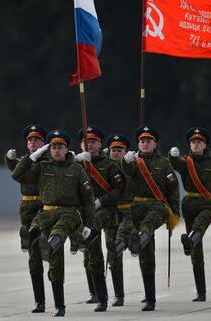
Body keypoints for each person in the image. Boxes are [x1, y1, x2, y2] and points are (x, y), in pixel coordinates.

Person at [12, 129, 94, 317]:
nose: (57, 150)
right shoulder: (43, 168)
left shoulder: (77, 170)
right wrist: (34, 156)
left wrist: (89, 224)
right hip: (46, 212)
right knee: (35, 229)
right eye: (54, 147)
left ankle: (59, 305)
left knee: (58, 237)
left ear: (67, 150)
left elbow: (88, 200)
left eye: (61, 147)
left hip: (69, 213)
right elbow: (18, 175)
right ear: (49, 150)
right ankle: (32, 237)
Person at [121, 126, 180, 311]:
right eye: (142, 141)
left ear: (155, 144)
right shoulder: (133, 161)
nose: (145, 144)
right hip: (137, 206)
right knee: (147, 257)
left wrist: (175, 215)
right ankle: (149, 299)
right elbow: (127, 172)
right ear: (138, 144)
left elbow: (173, 190)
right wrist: (125, 161)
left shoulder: (163, 163)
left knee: (147, 225)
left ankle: (138, 241)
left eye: (149, 141)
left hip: (157, 205)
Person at [168, 127, 211, 302]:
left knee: (201, 224)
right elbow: (175, 164)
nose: (195, 144)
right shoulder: (185, 162)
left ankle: (190, 239)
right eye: (193, 142)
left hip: (208, 203)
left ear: (205, 145)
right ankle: (201, 291)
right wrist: (172, 156)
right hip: (190, 203)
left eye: (199, 142)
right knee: (196, 251)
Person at [73, 126, 125, 312]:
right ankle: (99, 297)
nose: (90, 144)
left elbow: (119, 190)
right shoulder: (75, 164)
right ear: (81, 145)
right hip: (86, 215)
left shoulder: (109, 165)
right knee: (92, 256)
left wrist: (100, 202)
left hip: (108, 213)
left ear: (100, 144)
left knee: (113, 254)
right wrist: (76, 159)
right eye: (86, 142)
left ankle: (119, 294)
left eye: (93, 141)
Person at [4, 124, 48, 313]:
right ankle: (40, 301)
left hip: (46, 206)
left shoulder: (49, 160)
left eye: (37, 139)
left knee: (48, 247)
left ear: (43, 142)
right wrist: (8, 158)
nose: (33, 142)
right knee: (34, 256)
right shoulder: (24, 161)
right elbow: (16, 173)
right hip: (27, 207)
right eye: (30, 140)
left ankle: (59, 300)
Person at [104, 133, 133, 307]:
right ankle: (118, 295)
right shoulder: (104, 168)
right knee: (113, 253)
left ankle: (148, 292)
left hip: (130, 212)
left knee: (143, 253)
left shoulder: (132, 166)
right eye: (113, 150)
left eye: (119, 150)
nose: (116, 153)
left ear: (125, 151)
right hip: (110, 214)